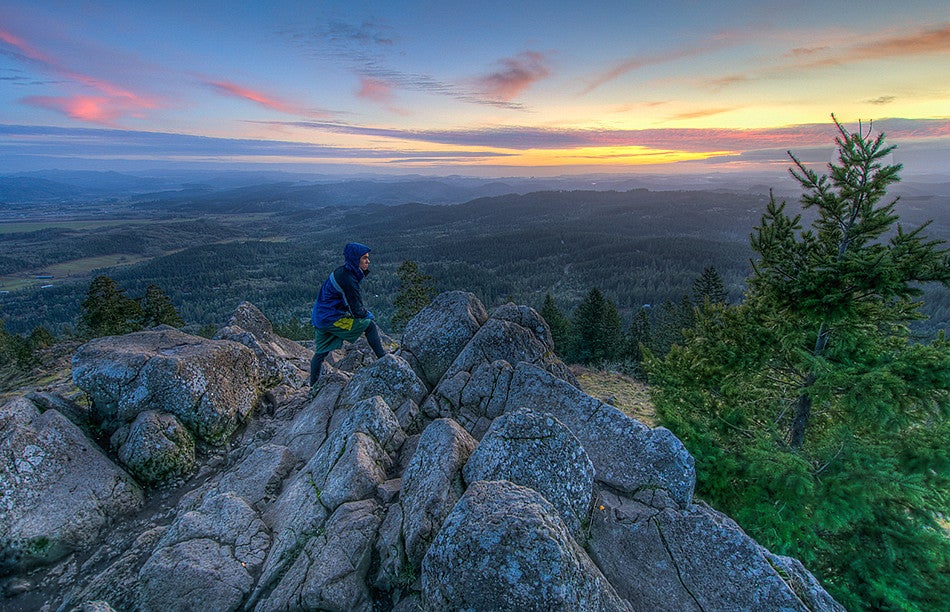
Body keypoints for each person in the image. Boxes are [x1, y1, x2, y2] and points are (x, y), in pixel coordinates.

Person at [309, 242, 387, 386]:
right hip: (332, 318)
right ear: (355, 259)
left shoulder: (343, 272)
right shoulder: (349, 280)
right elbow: (358, 311)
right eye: (364, 258)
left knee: (320, 353)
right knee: (369, 325)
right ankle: (383, 358)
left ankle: (313, 387)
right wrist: (368, 315)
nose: (368, 261)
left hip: (320, 316)